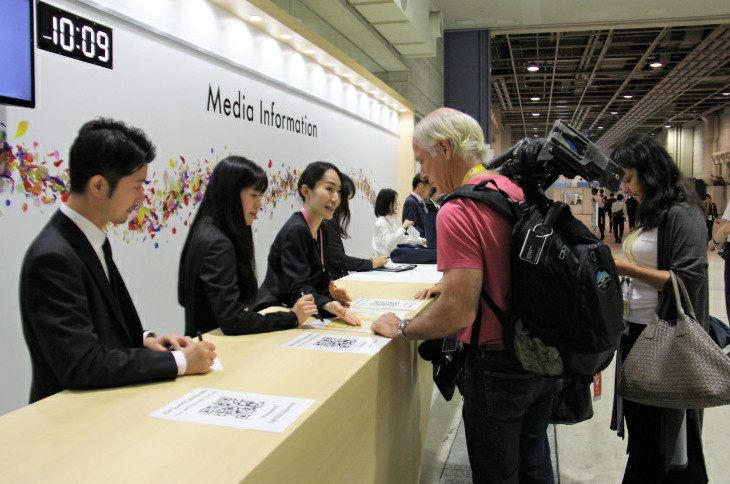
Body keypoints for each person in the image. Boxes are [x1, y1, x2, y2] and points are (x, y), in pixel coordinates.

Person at [372, 107, 560, 483]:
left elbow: (459, 313)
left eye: (423, 160)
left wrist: (404, 328)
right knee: (535, 464)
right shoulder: (514, 190)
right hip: (543, 355)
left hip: (496, 366)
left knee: (497, 474)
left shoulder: (458, 209)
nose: (422, 173)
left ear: (444, 148)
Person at [19, 118, 216, 403]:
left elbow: (102, 327)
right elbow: (82, 364)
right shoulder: (53, 257)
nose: (142, 197)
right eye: (137, 186)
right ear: (99, 185)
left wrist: (145, 339)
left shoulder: (91, 240)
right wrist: (180, 363)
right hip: (71, 422)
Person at [611, 135, 708, 482]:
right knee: (644, 429)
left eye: (629, 178)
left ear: (650, 174)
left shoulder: (684, 214)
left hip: (666, 338)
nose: (624, 186)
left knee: (665, 434)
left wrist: (625, 268)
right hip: (637, 332)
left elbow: (688, 279)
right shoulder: (653, 212)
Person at [178, 156, 317, 337]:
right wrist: (292, 317)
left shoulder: (206, 230)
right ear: (231, 194)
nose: (259, 204)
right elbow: (233, 321)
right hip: (215, 349)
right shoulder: (217, 244)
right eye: (254, 195)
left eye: (260, 196)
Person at [254, 161, 360, 326]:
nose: (336, 198)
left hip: (299, 308)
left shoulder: (321, 228)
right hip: (276, 311)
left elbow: (318, 279)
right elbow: (298, 287)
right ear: (306, 191)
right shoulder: (296, 230)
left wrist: (330, 294)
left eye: (338, 191)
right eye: (329, 189)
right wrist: (326, 303)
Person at [323, 173, 388, 280]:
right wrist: (370, 263)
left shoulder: (329, 221)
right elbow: (339, 259)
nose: (347, 204)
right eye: (347, 199)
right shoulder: (326, 222)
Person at [372, 188, 425, 257]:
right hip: (382, 260)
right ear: (387, 203)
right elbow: (388, 242)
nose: (397, 204)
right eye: (394, 202)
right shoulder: (380, 223)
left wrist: (421, 240)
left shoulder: (390, 221)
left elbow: (402, 238)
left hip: (390, 258)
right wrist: (403, 227)